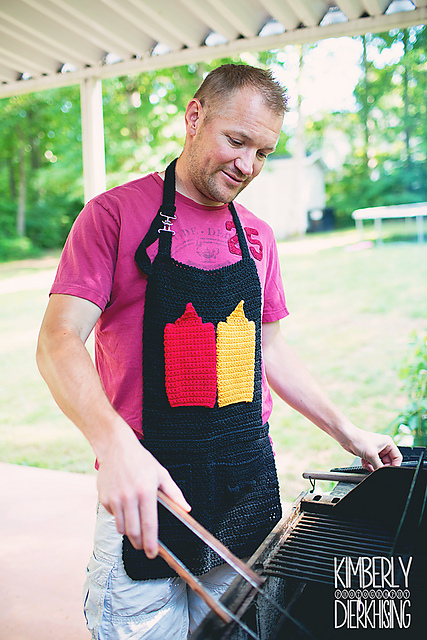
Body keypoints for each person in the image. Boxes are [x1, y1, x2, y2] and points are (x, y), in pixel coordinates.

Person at [36, 64, 402, 639]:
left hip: (245, 481)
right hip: (148, 485)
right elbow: (58, 340)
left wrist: (347, 431)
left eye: (263, 152)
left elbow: (269, 349)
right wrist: (114, 445)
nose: (248, 166)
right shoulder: (113, 216)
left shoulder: (257, 234)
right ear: (194, 116)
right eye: (237, 141)